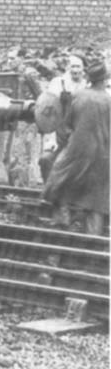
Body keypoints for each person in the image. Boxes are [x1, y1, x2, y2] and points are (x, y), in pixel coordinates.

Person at [42, 60, 110, 235]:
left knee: (57, 180)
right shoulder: (109, 99)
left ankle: (62, 220)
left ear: (89, 78)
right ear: (104, 79)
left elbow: (67, 124)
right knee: (96, 198)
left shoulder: (79, 96)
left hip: (77, 150)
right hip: (103, 153)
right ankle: (92, 241)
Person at [39, 55, 88, 182]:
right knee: (46, 160)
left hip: (80, 137)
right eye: (73, 66)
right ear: (67, 68)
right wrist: (51, 139)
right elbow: (49, 111)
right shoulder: (58, 83)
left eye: (78, 66)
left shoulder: (87, 86)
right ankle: (49, 192)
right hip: (60, 136)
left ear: (83, 69)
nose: (75, 70)